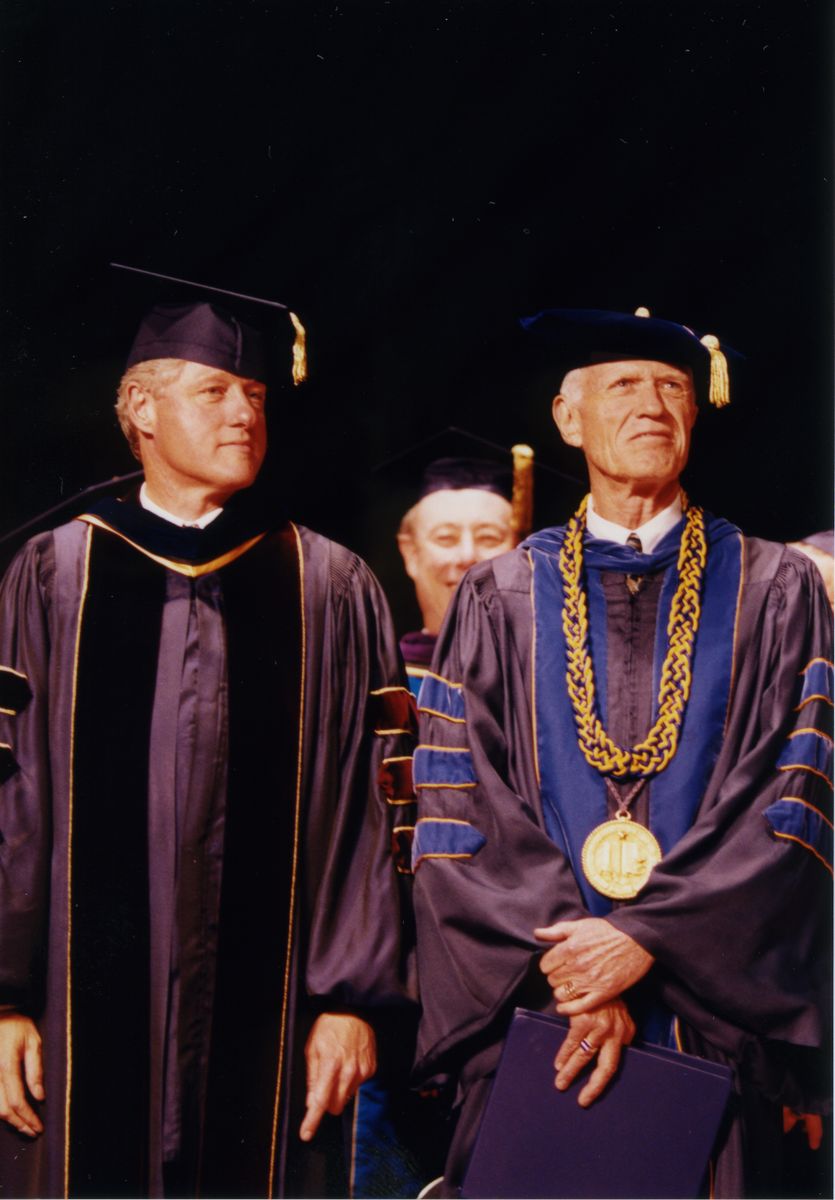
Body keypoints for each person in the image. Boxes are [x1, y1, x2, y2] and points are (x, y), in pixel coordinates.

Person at [0, 285, 417, 1198]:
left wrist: (349, 998)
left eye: (257, 399)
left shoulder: (327, 584)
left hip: (281, 1025)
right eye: (217, 392)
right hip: (73, 1019)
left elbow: (367, 804)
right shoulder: (54, 572)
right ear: (141, 410)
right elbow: (13, 796)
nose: (244, 414)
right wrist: (4, 999)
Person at [411, 307, 832, 1198]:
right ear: (568, 418)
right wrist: (576, 974)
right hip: (543, 1012)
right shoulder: (499, 593)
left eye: (673, 387)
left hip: (711, 1024)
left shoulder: (775, 585)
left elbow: (794, 793)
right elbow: (459, 806)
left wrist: (644, 936)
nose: (652, 404)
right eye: (624, 385)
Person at [396, 451, 531, 695]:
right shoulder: (382, 686)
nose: (467, 557)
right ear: (411, 554)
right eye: (446, 538)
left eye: (489, 538)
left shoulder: (551, 680)